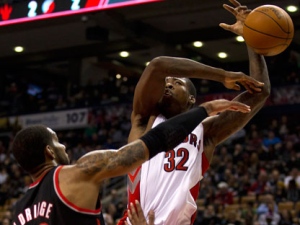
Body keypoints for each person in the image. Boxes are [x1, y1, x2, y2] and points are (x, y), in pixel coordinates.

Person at [118, 0, 270, 224]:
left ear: (191, 99)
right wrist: (222, 75)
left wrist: (251, 37)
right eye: (166, 83)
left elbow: (260, 92)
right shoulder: (144, 120)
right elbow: (158, 66)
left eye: (177, 82)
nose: (167, 84)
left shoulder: (205, 132)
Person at [10, 98, 249, 225]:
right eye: (58, 141)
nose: (64, 146)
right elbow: (154, 140)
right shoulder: (76, 173)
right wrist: (204, 110)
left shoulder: (17, 211)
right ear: (50, 152)